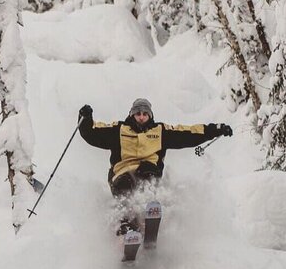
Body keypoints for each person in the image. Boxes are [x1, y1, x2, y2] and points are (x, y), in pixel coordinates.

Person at [77, 98, 232, 234]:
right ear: (132, 115)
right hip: (122, 173)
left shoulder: (160, 131)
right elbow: (92, 133)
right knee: (124, 184)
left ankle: (148, 214)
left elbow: (189, 133)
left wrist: (216, 129)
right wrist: (85, 118)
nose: (142, 117)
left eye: (145, 114)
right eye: (138, 114)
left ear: (150, 116)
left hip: (148, 171)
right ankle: (127, 224)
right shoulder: (119, 130)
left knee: (148, 175)